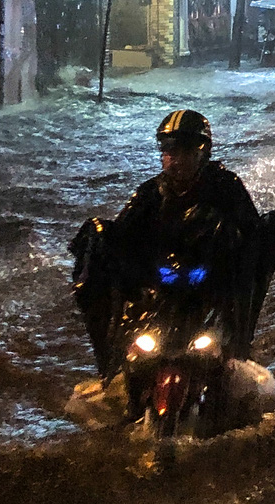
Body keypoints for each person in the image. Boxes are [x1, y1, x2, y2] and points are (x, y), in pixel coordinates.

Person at [71, 110, 265, 376]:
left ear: (202, 153)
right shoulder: (151, 193)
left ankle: (238, 353)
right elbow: (123, 237)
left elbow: (251, 239)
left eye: (185, 152)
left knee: (227, 360)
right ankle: (111, 370)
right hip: (160, 288)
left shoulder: (226, 187)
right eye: (170, 152)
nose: (177, 161)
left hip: (212, 290)